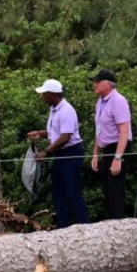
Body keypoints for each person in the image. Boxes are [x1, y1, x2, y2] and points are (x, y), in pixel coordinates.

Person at [28, 79, 89, 228]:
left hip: (70, 153)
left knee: (73, 192)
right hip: (60, 155)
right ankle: (63, 227)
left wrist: (45, 152)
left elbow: (64, 138)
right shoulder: (54, 109)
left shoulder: (66, 110)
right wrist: (40, 134)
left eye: (45, 94)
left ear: (53, 94)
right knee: (59, 193)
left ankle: (86, 226)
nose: (43, 97)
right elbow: (55, 131)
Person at [91, 69, 132, 219]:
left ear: (108, 84)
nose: (94, 84)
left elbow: (124, 132)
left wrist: (118, 158)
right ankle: (112, 223)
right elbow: (99, 129)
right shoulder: (100, 101)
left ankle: (118, 225)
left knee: (115, 189)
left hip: (118, 147)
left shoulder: (118, 101)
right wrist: (95, 153)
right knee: (107, 189)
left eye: (97, 81)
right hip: (107, 148)